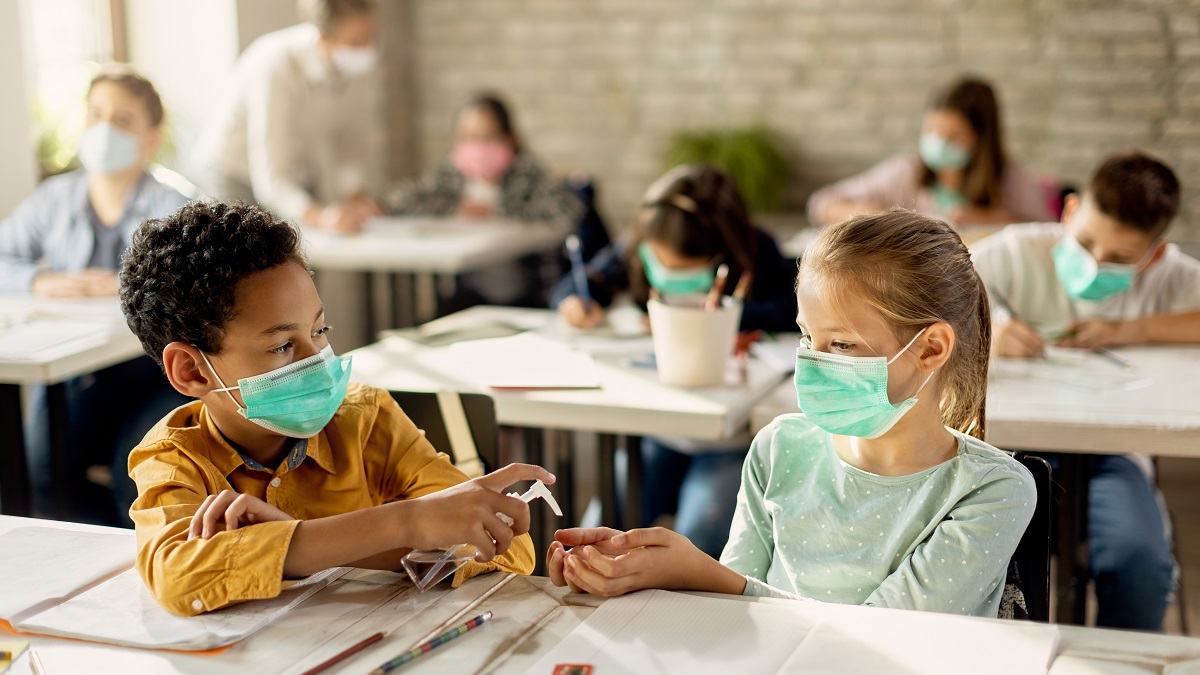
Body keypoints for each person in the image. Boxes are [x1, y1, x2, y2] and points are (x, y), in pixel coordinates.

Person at [547, 209, 1037, 618]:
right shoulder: (780, 446)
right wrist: (638, 576)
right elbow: (732, 617)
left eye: (841, 344)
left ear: (930, 348)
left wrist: (700, 573)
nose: (814, 361)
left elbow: (883, 644)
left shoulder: (992, 490)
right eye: (808, 337)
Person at [119, 201, 550, 616]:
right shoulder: (174, 457)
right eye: (283, 346)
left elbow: (508, 549)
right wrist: (406, 524)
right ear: (192, 371)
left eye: (319, 330)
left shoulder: (367, 420)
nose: (319, 361)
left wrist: (293, 541)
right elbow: (177, 576)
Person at [974, 150, 1197, 630]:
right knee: (976, 557)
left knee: (1140, 564)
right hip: (998, 450)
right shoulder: (1017, 251)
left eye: (1119, 259)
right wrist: (992, 326)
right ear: (1069, 212)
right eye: (1086, 242)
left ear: (1155, 255)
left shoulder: (1170, 276)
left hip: (1110, 455)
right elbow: (937, 291)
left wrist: (1130, 330)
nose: (1096, 264)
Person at [551, 164, 798, 558]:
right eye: (661, 264)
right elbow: (579, 283)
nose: (668, 275)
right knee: (596, 537)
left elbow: (795, 307)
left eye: (684, 270)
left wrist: (732, 318)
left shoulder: (757, 252)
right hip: (659, 435)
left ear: (723, 256)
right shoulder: (640, 244)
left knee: (696, 539)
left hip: (729, 440)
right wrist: (575, 302)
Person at [0, 65, 190, 523]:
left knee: (136, 479)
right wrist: (40, 282)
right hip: (78, 376)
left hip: (158, 374)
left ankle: (142, 568)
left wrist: (128, 285)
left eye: (123, 120)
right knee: (39, 472)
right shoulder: (54, 198)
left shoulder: (177, 206)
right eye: (96, 114)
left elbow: (196, 290)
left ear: (150, 138)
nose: (105, 128)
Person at [193, 0, 382, 233]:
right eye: (355, 41)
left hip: (291, 174)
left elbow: (349, 144)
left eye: (370, 37)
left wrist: (355, 195)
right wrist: (321, 217)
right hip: (234, 172)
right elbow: (272, 176)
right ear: (323, 37)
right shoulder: (276, 64)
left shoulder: (352, 68)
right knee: (240, 255)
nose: (366, 48)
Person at [385, 94, 582, 307]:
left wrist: (496, 209)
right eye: (468, 137)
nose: (478, 147)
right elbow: (400, 197)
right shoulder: (454, 174)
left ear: (509, 138)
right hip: (472, 293)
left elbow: (567, 210)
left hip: (529, 294)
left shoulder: (525, 172)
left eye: (488, 137)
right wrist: (455, 207)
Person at [807, 76, 1053, 230]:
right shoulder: (904, 173)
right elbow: (819, 204)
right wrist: (867, 215)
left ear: (982, 139)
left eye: (953, 135)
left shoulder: (1009, 178)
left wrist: (990, 219)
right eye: (931, 130)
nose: (938, 142)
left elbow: (1046, 233)